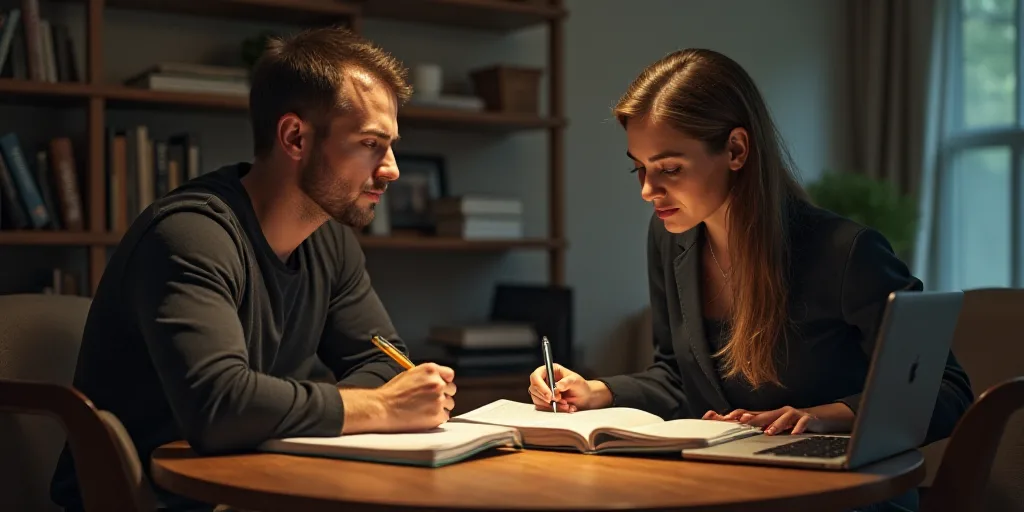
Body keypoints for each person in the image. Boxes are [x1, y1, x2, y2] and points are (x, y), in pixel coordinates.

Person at [527, 49, 973, 512]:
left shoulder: (846, 252)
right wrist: (597, 391)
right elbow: (679, 375)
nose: (647, 190)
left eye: (670, 169)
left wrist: (821, 418)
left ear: (737, 150)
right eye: (638, 167)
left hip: (841, 496)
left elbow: (949, 392)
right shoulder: (669, 238)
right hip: (727, 485)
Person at [50, 26, 456, 512]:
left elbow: (387, 363)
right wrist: (382, 407)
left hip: (261, 487)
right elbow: (220, 408)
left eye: (390, 145)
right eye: (370, 143)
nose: (390, 167)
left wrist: (270, 408)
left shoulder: (329, 239)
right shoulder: (189, 235)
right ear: (294, 137)